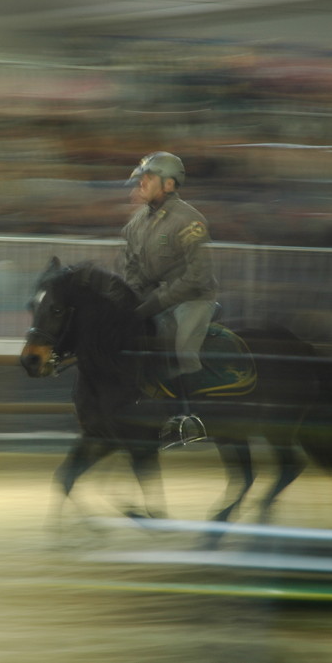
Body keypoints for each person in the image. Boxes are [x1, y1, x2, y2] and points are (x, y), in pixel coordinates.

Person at [121, 151, 218, 444]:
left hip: (192, 299)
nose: (141, 184)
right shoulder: (135, 224)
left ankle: (190, 419)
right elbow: (132, 270)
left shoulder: (190, 221)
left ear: (169, 185)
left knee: (182, 349)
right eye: (141, 179)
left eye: (148, 179)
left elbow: (197, 277)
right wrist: (133, 300)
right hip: (153, 297)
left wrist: (157, 302)